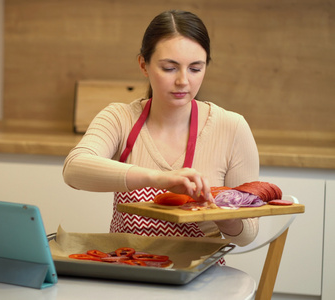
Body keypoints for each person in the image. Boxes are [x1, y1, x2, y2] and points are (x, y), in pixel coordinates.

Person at [62, 10, 260, 248]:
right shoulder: (120, 118)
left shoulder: (232, 127)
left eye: (195, 69)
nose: (183, 81)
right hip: (128, 269)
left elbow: (247, 234)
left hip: (198, 277)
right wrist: (159, 179)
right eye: (169, 68)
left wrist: (214, 206)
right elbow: (73, 169)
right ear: (144, 65)